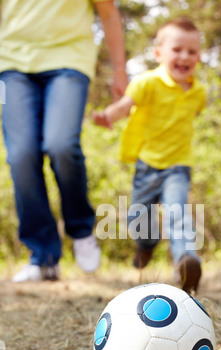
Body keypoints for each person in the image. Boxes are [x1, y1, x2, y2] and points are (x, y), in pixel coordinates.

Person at [0, 0, 127, 282]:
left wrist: (120, 69)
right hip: (9, 68)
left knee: (61, 144)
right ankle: (42, 255)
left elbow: (108, 12)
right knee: (20, 155)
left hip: (69, 61)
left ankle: (81, 229)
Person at [93, 17, 206, 293]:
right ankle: (146, 245)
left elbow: (194, 115)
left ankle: (185, 261)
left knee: (178, 214)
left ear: (199, 57)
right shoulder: (147, 82)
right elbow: (125, 106)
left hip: (178, 166)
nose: (184, 57)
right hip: (147, 165)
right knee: (137, 220)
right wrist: (107, 116)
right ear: (159, 54)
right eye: (177, 49)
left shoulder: (198, 92)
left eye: (191, 52)